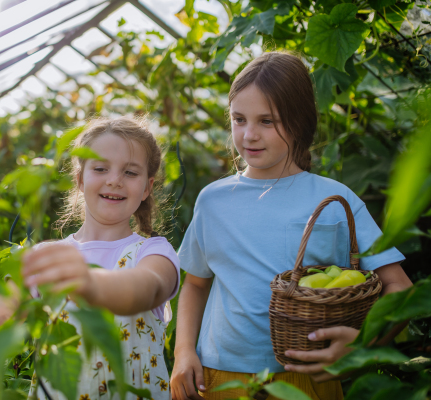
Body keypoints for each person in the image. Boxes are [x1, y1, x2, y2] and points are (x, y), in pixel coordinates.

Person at [169, 52, 413, 400]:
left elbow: (400, 288)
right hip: (220, 377)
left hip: (307, 376)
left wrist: (362, 343)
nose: (249, 135)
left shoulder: (334, 200)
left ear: (299, 122)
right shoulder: (213, 200)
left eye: (267, 121)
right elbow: (195, 284)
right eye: (239, 119)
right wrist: (183, 352)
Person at [0, 116, 180, 400]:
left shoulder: (153, 252)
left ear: (147, 188)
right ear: (80, 179)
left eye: (130, 173)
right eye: (100, 168)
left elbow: (145, 289)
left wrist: (88, 282)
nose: (114, 180)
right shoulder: (43, 258)